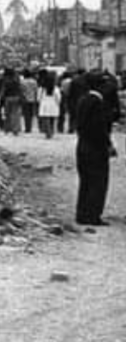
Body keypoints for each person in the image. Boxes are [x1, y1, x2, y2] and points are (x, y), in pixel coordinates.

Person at [74, 71, 118, 226]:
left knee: (85, 182)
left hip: (83, 146)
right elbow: (99, 128)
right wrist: (108, 145)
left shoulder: (83, 99)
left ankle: (82, 213)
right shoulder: (97, 103)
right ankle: (92, 215)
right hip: (95, 149)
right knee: (98, 182)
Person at [0, 68, 24, 135]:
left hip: (8, 98)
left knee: (7, 114)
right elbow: (20, 89)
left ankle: (7, 129)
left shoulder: (5, 81)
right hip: (16, 98)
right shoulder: (16, 80)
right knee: (15, 114)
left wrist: (0, 98)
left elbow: (3, 91)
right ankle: (15, 130)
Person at [37, 70, 61, 139]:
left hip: (45, 104)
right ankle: (52, 131)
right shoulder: (55, 89)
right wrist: (58, 103)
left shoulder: (42, 89)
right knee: (52, 119)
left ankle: (48, 132)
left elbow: (38, 98)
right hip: (53, 104)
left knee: (46, 119)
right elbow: (58, 97)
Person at [21, 69, 40, 133]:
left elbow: (21, 91)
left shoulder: (22, 82)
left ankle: (27, 128)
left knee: (26, 114)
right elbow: (36, 90)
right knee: (31, 114)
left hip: (25, 99)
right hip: (33, 99)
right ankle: (30, 127)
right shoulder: (34, 81)